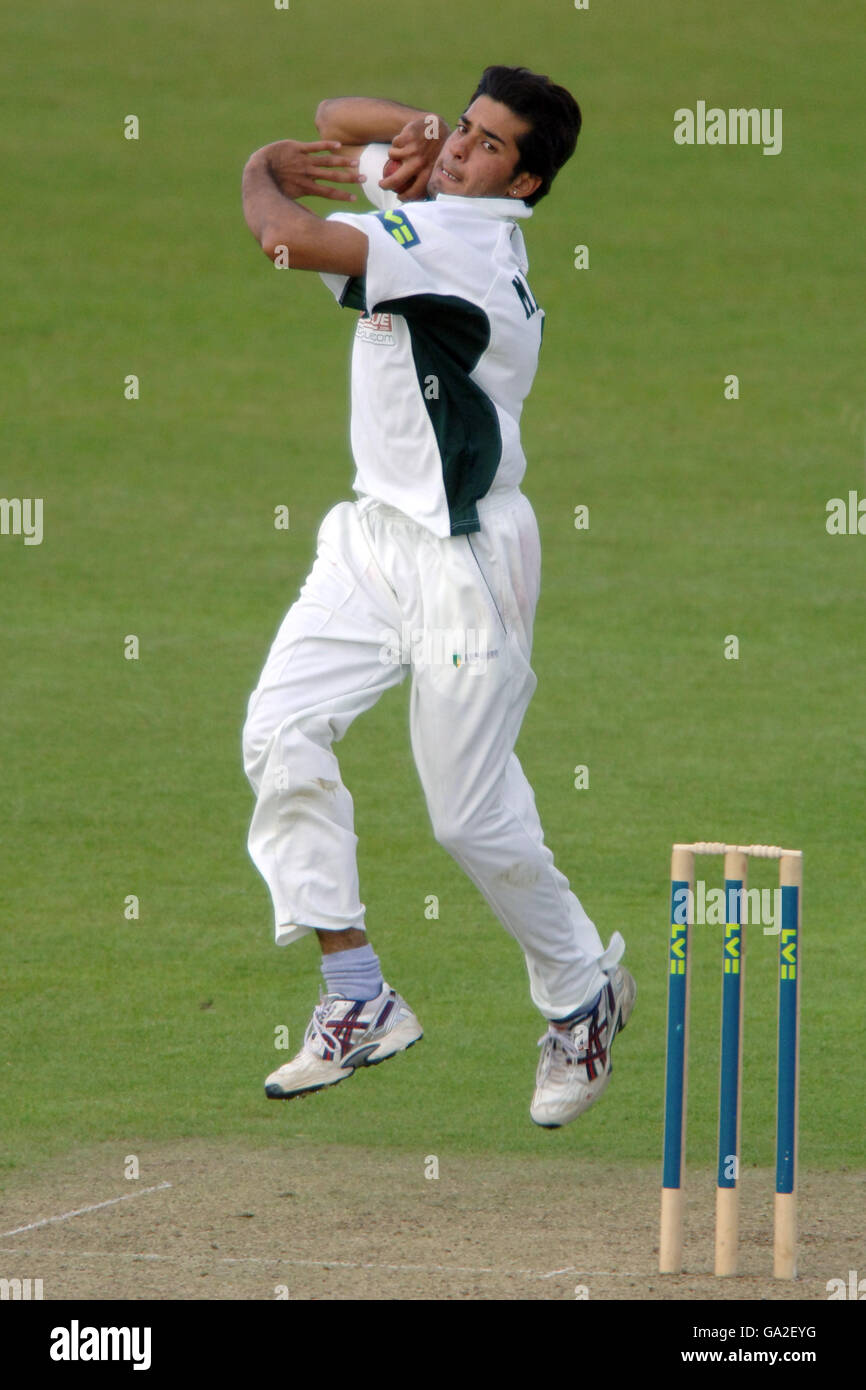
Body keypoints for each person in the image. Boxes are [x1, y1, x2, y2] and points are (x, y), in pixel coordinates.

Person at [240, 66, 635, 1128]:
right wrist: (419, 134)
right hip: (371, 535)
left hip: (465, 551)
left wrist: (256, 175)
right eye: (465, 127)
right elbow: (330, 117)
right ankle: (356, 995)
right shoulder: (437, 195)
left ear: (529, 184)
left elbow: (286, 238)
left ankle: (580, 993)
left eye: (489, 144)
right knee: (279, 735)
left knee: (465, 816)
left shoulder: (457, 242)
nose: (461, 149)